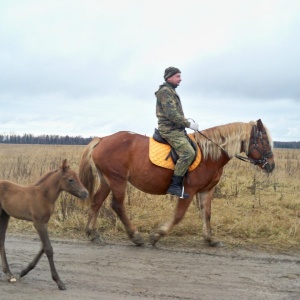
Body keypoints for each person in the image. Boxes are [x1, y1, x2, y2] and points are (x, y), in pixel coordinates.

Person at [155, 67, 199, 199]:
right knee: (188, 153)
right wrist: (188, 124)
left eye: (180, 76)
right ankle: (174, 185)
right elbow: (171, 114)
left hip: (177, 129)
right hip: (169, 130)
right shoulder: (165, 92)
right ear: (169, 77)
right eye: (177, 76)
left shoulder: (171, 91)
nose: (180, 79)